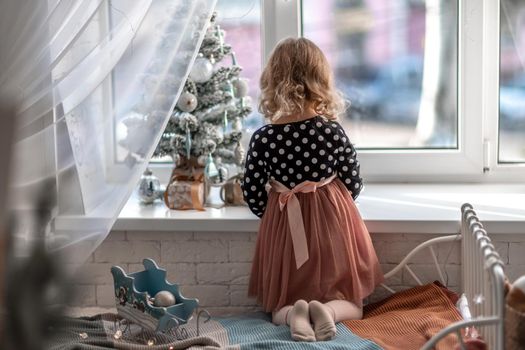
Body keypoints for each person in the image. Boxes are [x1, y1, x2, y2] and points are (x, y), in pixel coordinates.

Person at [241, 37, 383, 342]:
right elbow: (353, 182)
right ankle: (328, 311)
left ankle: (294, 315)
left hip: (284, 227)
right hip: (331, 223)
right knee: (353, 304)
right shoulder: (331, 131)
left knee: (278, 304)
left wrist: (274, 213)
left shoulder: (263, 137)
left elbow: (252, 192)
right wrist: (332, 203)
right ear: (319, 80)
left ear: (273, 80)